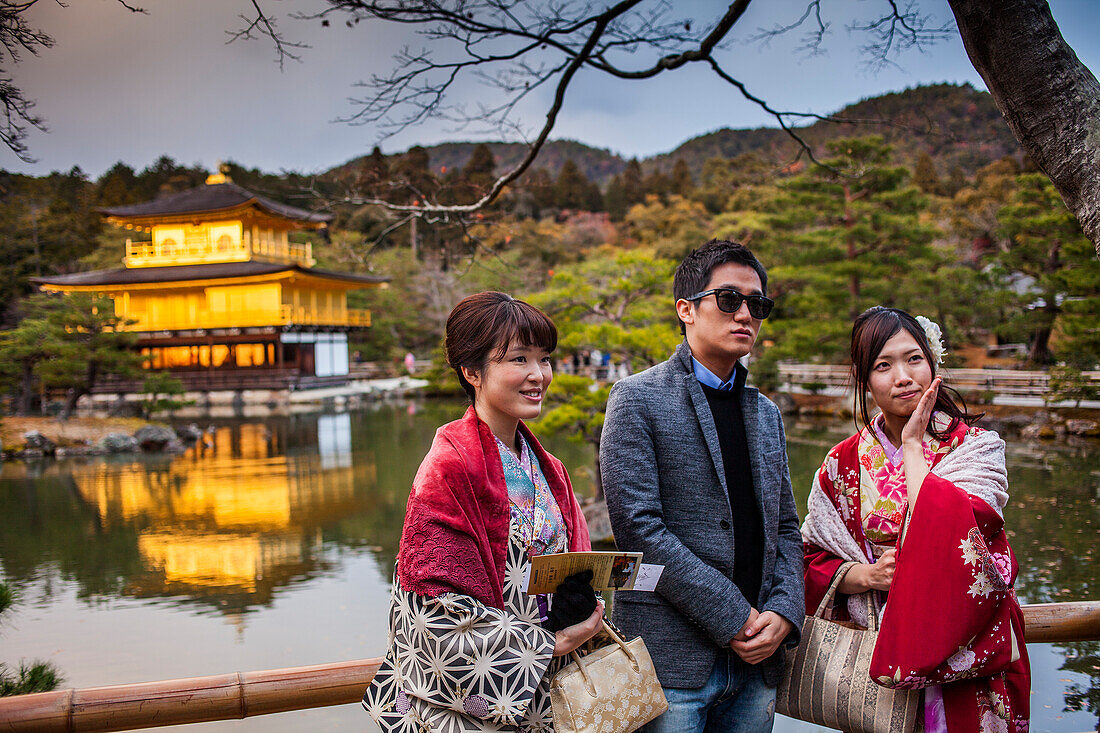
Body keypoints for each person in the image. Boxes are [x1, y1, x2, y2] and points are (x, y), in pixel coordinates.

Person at [364, 292, 604, 732]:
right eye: (518, 360)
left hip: (549, 693)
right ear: (472, 372)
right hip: (485, 700)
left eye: (544, 359)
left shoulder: (549, 467)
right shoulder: (448, 467)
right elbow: (430, 612)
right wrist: (546, 643)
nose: (538, 375)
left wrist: (582, 605)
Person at [601, 240, 804, 733]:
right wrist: (734, 615)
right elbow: (638, 530)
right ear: (686, 310)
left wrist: (783, 611)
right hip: (674, 663)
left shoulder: (765, 413)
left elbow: (786, 529)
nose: (746, 316)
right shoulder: (637, 398)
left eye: (757, 305)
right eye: (729, 300)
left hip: (758, 662)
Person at [801, 306, 1030, 733]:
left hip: (965, 655)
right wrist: (866, 576)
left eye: (914, 359)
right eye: (883, 366)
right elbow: (809, 556)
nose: (903, 376)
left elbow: (961, 535)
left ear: (932, 362)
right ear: (865, 380)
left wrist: (911, 448)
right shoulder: (842, 462)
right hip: (876, 658)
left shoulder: (978, 449)